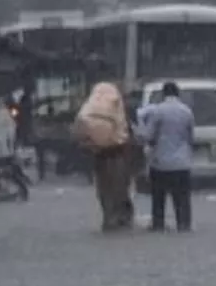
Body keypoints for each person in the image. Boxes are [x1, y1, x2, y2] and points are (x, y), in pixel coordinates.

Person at [72, 82, 135, 232]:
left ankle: (108, 217)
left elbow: (80, 132)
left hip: (100, 156)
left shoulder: (90, 107)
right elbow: (127, 132)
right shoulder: (120, 109)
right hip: (118, 154)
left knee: (104, 189)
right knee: (120, 187)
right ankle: (121, 216)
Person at [141, 81, 196, 232]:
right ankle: (184, 223)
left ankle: (158, 223)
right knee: (182, 197)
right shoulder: (187, 112)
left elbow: (149, 136)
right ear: (178, 93)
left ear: (163, 94)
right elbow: (191, 138)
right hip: (182, 162)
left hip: (160, 163)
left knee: (158, 197)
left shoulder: (157, 112)